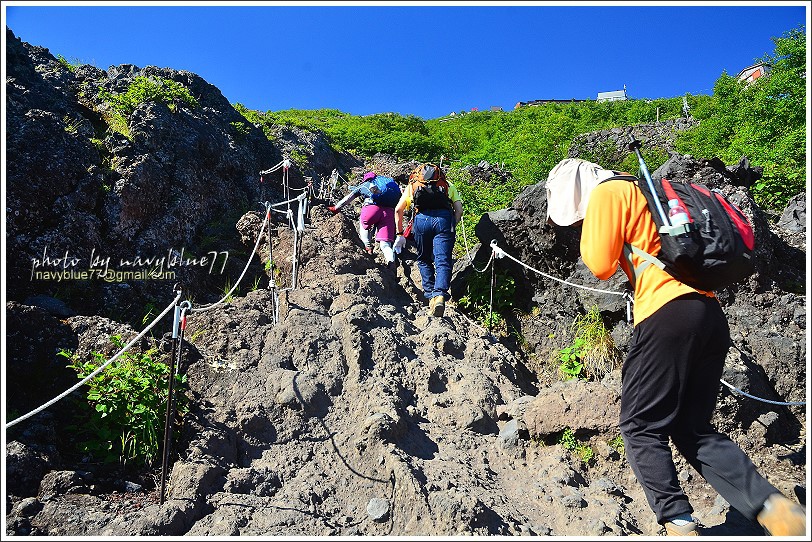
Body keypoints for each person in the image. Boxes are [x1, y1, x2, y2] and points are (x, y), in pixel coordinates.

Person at [545, 165, 806, 536]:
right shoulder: (652, 192)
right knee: (690, 427)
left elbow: (599, 264)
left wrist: (601, 229)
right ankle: (771, 506)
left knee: (639, 424)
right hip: (708, 314)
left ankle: (678, 522)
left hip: (666, 314)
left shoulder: (607, 192)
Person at [393, 163, 463, 317]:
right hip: (444, 220)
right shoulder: (448, 185)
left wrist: (399, 234)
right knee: (443, 260)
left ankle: (430, 295)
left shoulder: (413, 186)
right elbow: (459, 210)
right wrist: (451, 225)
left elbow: (398, 210)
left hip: (422, 220)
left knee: (424, 259)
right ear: (440, 175)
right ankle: (439, 296)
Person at [330, 171, 401, 267]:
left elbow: (348, 199)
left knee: (364, 225)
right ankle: (391, 263)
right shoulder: (387, 186)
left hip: (371, 210)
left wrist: (335, 208)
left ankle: (367, 247)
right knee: (385, 244)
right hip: (388, 213)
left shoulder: (365, 185)